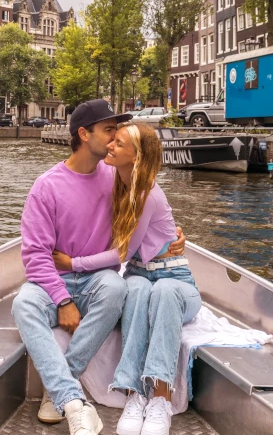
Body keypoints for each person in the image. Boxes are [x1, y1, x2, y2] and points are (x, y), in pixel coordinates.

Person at [12, 99, 186, 435]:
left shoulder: (117, 177)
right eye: (109, 130)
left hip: (97, 279)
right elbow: (35, 256)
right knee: (24, 304)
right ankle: (72, 400)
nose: (114, 138)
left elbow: (154, 208)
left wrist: (176, 236)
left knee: (116, 287)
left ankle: (60, 389)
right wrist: (62, 300)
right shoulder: (46, 187)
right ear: (83, 133)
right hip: (53, 281)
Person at [53, 122, 201, 435]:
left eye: (119, 144)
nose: (110, 147)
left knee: (163, 293)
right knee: (131, 288)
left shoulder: (147, 194)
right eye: (112, 141)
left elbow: (121, 252)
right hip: (138, 273)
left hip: (175, 277)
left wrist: (72, 262)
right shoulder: (114, 179)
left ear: (136, 156)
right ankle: (133, 394)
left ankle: (160, 398)